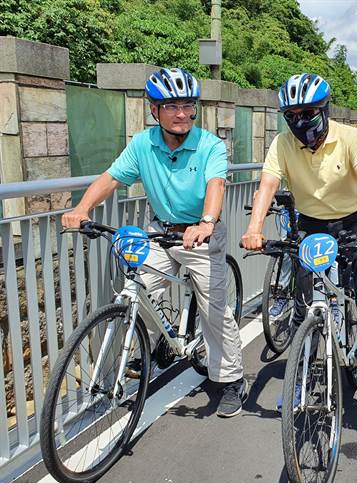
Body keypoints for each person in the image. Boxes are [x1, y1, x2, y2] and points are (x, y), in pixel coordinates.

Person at [62, 68, 247, 417]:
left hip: (201, 233)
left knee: (214, 312)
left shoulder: (209, 145)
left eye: (188, 105)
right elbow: (111, 178)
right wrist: (82, 208)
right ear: (154, 110)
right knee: (140, 283)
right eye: (171, 106)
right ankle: (162, 336)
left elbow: (216, 185)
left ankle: (232, 380)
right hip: (160, 230)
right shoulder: (143, 144)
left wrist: (206, 221)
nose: (181, 114)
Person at [241, 73, 357, 361]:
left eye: (308, 113)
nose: (300, 121)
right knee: (304, 292)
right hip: (311, 222)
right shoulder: (282, 144)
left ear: (324, 110)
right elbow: (267, 185)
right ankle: (300, 376)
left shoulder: (351, 137)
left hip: (353, 218)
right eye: (292, 115)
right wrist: (253, 228)